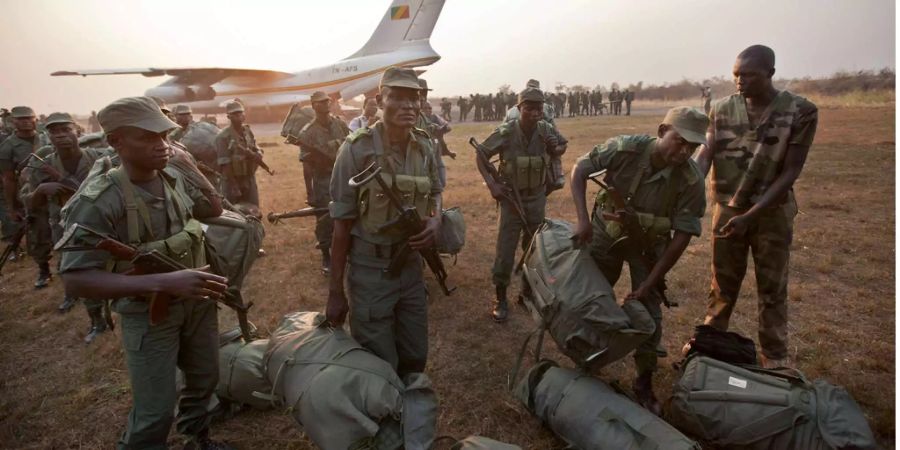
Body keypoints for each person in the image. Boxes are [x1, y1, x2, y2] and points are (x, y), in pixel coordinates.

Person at [58, 96, 231, 449]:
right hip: (149, 314)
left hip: (196, 305)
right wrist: (165, 281)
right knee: (155, 411)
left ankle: (197, 438)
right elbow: (75, 278)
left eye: (165, 136)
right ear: (116, 142)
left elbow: (212, 207)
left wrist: (189, 165)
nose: (162, 145)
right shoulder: (99, 199)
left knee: (204, 381)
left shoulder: (173, 177)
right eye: (148, 137)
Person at [570, 106, 708, 415]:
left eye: (693, 146)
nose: (685, 151)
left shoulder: (691, 180)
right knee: (592, 298)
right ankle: (588, 359)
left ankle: (644, 381)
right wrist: (583, 221)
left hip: (648, 246)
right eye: (680, 141)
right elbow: (580, 169)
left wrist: (648, 283)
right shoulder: (626, 148)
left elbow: (681, 238)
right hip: (606, 234)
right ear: (662, 132)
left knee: (650, 318)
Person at [695, 45, 818, 369]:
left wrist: (751, 215)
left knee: (772, 286)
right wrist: (688, 185)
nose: (740, 81)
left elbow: (791, 170)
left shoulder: (800, 111)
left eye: (748, 75)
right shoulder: (721, 109)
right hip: (728, 210)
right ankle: (710, 345)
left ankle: (774, 357)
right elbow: (706, 154)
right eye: (736, 74)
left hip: (771, 213)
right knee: (722, 283)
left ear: (770, 74)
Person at [327, 67, 442, 377]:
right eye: (398, 98)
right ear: (380, 100)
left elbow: (436, 192)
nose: (408, 106)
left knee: (415, 356)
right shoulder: (356, 149)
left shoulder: (424, 145)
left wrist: (436, 220)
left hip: (411, 270)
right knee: (378, 366)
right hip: (370, 272)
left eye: (414, 98)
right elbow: (340, 227)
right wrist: (335, 291)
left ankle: (409, 417)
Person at [476, 86, 567, 322]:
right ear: (519, 108)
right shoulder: (506, 131)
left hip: (536, 198)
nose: (534, 113)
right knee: (505, 249)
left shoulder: (546, 129)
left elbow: (562, 147)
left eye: (538, 108)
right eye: (529, 108)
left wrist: (553, 147)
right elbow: (481, 154)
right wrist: (492, 185)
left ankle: (526, 293)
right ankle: (500, 297)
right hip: (511, 200)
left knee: (534, 248)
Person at [20, 112, 108, 339]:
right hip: (64, 225)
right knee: (77, 268)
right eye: (54, 132)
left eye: (66, 130)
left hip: (101, 222)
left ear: (77, 131)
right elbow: (28, 200)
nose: (61, 136)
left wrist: (63, 180)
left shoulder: (99, 158)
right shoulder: (43, 164)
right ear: (48, 136)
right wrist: (41, 190)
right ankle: (96, 320)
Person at [297, 91, 350, 274]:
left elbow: (352, 147)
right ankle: (327, 255)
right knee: (325, 218)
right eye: (320, 102)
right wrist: (310, 192)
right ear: (313, 106)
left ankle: (348, 251)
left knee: (348, 213)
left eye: (327, 101)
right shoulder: (307, 132)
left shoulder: (340, 124)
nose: (325, 104)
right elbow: (307, 165)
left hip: (344, 176)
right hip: (323, 179)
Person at [0, 106, 50, 267]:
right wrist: (12, 207)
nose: (27, 122)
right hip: (30, 192)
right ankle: (43, 268)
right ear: (13, 121)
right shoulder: (8, 146)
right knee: (37, 231)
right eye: (22, 119)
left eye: (30, 118)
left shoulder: (46, 138)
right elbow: (8, 179)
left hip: (53, 188)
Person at [215, 100, 261, 208]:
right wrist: (234, 186)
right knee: (233, 211)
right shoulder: (222, 137)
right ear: (228, 117)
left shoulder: (247, 131)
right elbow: (225, 163)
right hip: (232, 180)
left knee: (253, 208)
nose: (239, 116)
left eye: (241, 113)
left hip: (249, 178)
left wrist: (258, 152)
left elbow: (254, 146)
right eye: (235, 114)